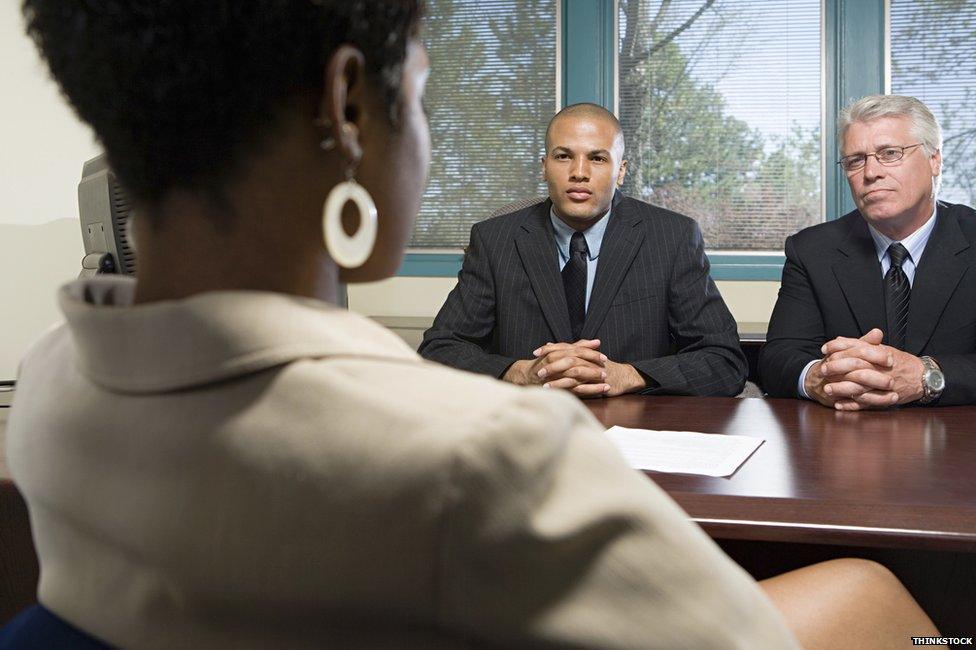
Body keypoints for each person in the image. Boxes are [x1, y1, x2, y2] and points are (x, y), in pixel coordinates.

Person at [6, 2, 936, 648]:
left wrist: (627, 374)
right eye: (420, 93)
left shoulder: (47, 392)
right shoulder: (482, 458)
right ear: (347, 109)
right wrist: (525, 381)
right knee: (874, 594)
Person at [419, 104, 747, 397]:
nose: (579, 172)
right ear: (544, 166)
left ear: (620, 171)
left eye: (597, 158)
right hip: (525, 427)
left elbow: (724, 361)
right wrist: (522, 373)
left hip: (636, 433)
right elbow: (439, 350)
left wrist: (628, 376)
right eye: (564, 156)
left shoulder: (672, 237)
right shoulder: (495, 240)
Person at [760, 94, 976, 410]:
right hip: (846, 440)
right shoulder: (811, 250)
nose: (871, 172)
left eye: (890, 153)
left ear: (934, 160)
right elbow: (779, 358)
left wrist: (926, 374)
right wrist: (817, 377)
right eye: (855, 160)